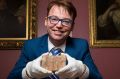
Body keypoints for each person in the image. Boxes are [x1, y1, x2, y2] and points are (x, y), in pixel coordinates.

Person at [7, 0, 102, 79]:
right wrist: (28, 72)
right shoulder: (30, 46)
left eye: (66, 21)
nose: (59, 25)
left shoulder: (81, 46)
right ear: (46, 21)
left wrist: (83, 70)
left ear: (72, 26)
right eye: (54, 19)